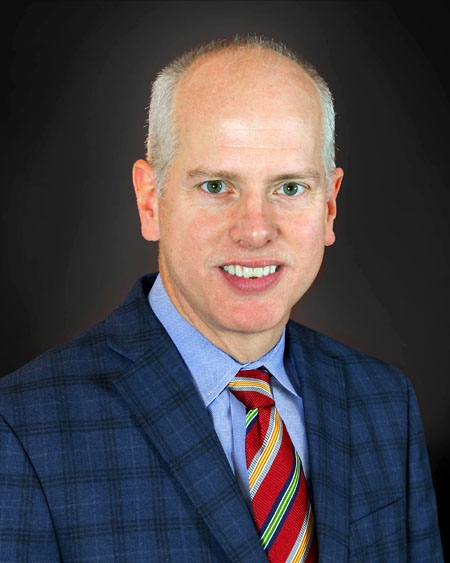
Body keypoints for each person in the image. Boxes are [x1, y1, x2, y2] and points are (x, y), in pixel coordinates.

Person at [0, 36, 443, 562]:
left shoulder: (385, 403)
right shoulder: (23, 428)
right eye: (216, 186)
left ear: (329, 206)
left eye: (290, 188)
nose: (255, 231)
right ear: (150, 201)